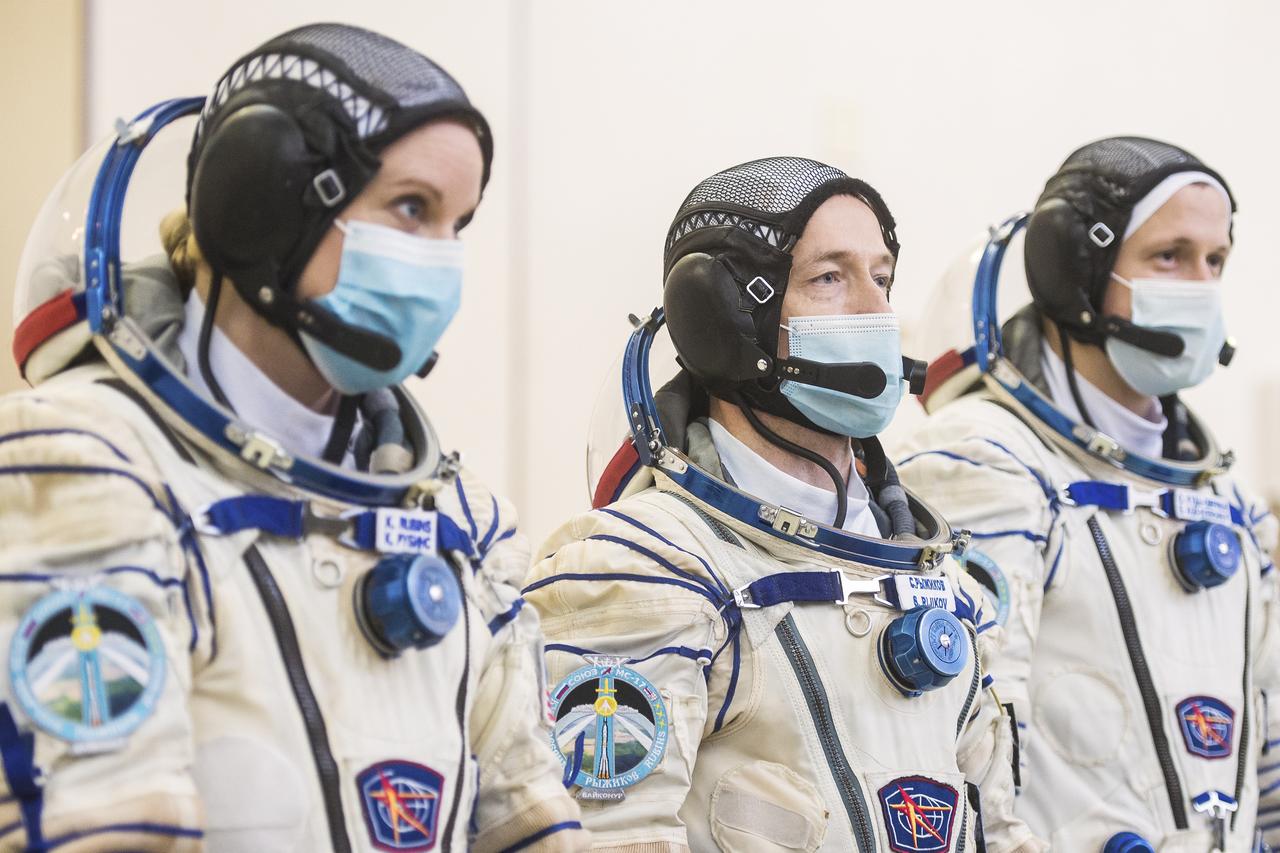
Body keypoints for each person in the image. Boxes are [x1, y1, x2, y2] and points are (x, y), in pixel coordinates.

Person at [1, 23, 585, 853]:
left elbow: (533, 827)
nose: (441, 259)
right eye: (412, 209)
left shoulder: (467, 524)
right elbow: (97, 830)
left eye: (459, 223)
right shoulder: (86, 463)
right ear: (262, 201)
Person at [524, 156, 1044, 852]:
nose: (876, 311)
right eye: (831, 277)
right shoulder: (640, 567)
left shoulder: (939, 583)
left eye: (882, 277)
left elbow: (1001, 830)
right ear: (725, 318)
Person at [895, 136, 1279, 852]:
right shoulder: (983, 458)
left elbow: (1273, 730)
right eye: (1170, 256)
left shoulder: (1224, 493)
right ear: (1079, 270)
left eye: (1215, 261)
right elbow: (965, 751)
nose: (1200, 284)